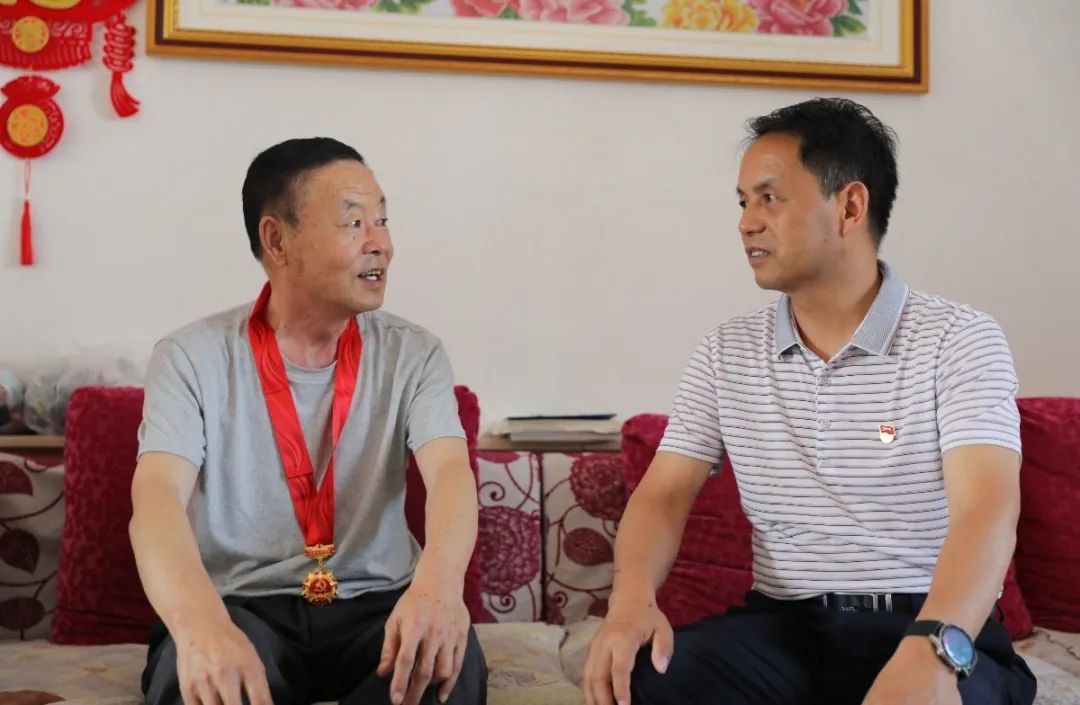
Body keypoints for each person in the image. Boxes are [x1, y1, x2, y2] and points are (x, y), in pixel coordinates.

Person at [583, 98, 1037, 705]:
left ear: (849, 207)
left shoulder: (959, 338)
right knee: (641, 681)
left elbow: (986, 511)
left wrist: (931, 648)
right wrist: (630, 603)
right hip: (784, 628)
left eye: (770, 198)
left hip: (927, 619)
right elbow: (663, 493)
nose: (747, 223)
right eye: (743, 202)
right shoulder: (726, 350)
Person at [130, 137, 487, 705]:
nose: (382, 244)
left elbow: (448, 473)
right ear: (277, 239)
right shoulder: (191, 357)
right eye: (354, 223)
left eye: (382, 220)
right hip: (241, 606)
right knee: (201, 687)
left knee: (446, 672)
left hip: (379, 604)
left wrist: (439, 590)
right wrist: (200, 625)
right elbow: (156, 498)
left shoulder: (413, 353)